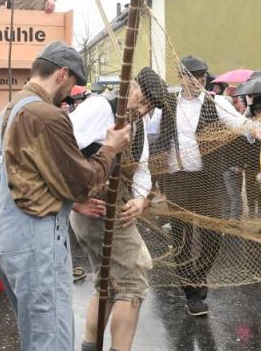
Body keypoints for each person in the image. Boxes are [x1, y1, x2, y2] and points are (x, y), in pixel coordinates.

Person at [0, 41, 129, 349]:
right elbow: (83, 183)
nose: (70, 93)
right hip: (37, 243)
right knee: (51, 340)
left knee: (34, 336)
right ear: (62, 74)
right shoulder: (47, 115)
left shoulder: (11, 109)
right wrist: (110, 148)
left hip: (7, 238)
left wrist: (62, 199)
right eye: (72, 84)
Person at [161, 55, 261, 316]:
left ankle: (198, 276)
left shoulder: (216, 103)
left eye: (202, 77)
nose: (199, 81)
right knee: (182, 240)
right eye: (193, 77)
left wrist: (257, 130)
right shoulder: (168, 104)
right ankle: (191, 292)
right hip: (176, 180)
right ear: (182, 78)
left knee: (213, 236)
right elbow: (151, 132)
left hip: (207, 179)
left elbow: (239, 122)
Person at [69, 68, 164, 351]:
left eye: (150, 106)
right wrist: (72, 199)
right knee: (133, 284)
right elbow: (58, 149)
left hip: (115, 207)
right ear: (131, 86)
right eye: (142, 100)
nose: (143, 109)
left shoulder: (137, 124)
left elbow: (143, 168)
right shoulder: (101, 107)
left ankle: (90, 348)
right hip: (95, 209)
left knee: (107, 284)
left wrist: (140, 199)